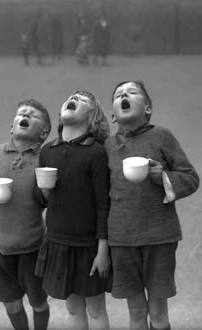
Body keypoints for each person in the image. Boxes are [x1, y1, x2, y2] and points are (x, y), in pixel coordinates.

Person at [104, 80, 200, 330]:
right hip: (121, 240)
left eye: (132, 92)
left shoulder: (161, 136)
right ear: (113, 116)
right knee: (136, 311)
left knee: (157, 311)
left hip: (159, 237)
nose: (124, 95)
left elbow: (191, 178)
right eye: (118, 95)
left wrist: (162, 176)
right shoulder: (106, 147)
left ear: (147, 109)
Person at [0, 99, 52, 330]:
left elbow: (46, 200)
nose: (25, 114)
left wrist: (46, 189)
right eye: (21, 113)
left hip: (32, 248)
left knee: (38, 301)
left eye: (33, 115)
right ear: (12, 126)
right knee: (11, 303)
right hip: (0, 248)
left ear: (43, 133)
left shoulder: (44, 160)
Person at [35, 91, 111, 330]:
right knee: (73, 308)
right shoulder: (48, 151)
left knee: (96, 309)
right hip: (57, 242)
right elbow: (43, 200)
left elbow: (103, 204)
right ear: (60, 114)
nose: (75, 99)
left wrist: (102, 251)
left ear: (92, 118)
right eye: (72, 97)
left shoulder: (96, 152)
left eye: (83, 100)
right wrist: (44, 190)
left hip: (89, 246)